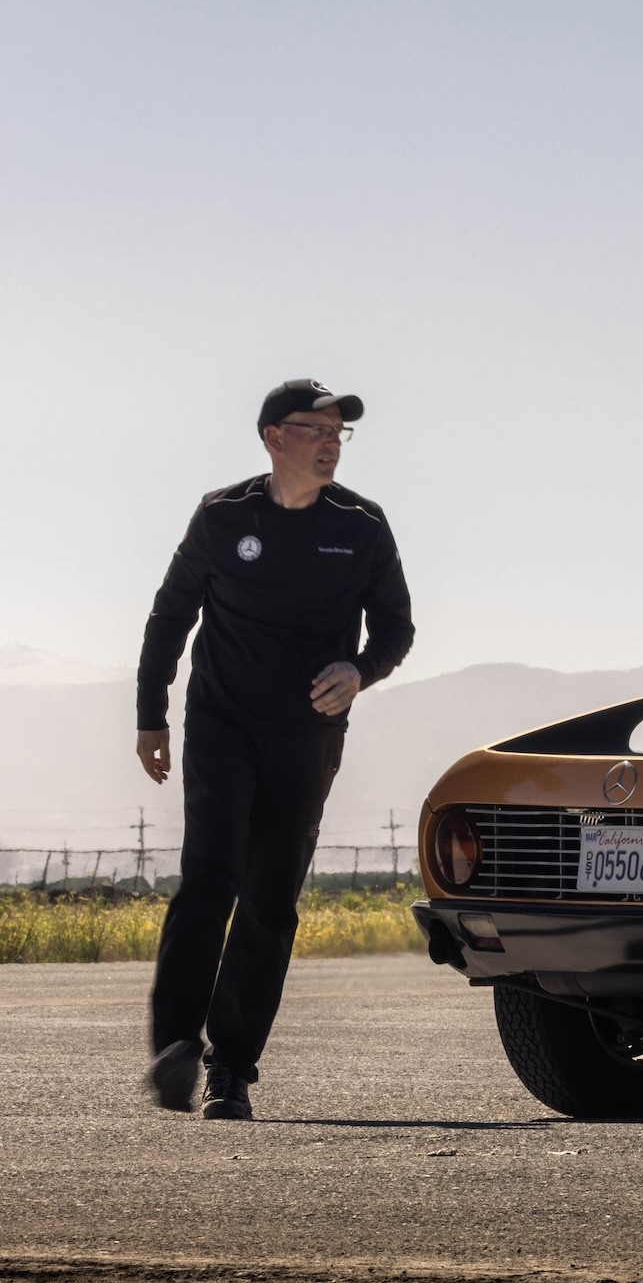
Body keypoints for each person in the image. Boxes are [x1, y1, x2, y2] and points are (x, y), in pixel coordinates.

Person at [135, 379, 414, 1119]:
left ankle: (233, 1066)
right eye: (315, 429)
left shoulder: (362, 525)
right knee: (210, 876)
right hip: (222, 724)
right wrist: (150, 714)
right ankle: (174, 1047)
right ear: (272, 436)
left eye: (339, 433)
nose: (330, 442)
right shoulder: (224, 516)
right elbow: (171, 615)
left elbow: (395, 628)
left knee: (269, 900)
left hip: (308, 737)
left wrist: (361, 670)